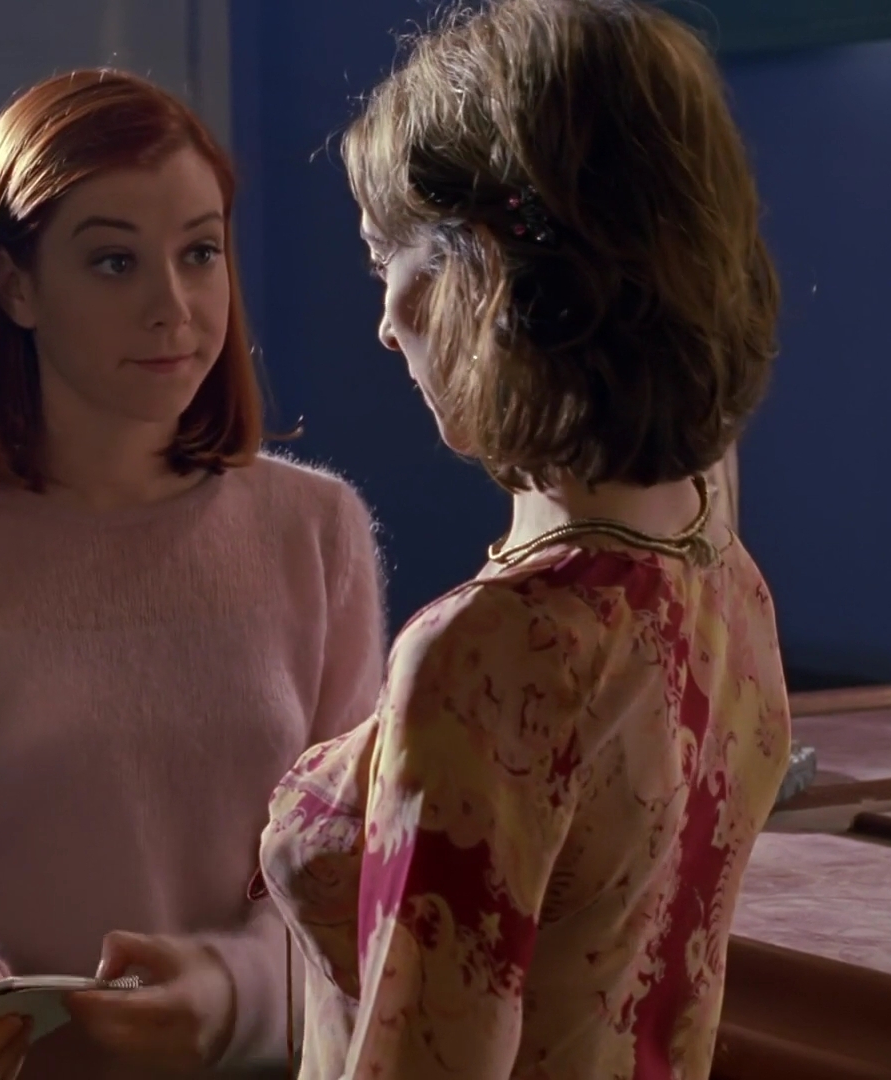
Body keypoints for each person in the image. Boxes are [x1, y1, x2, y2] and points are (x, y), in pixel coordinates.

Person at [0, 69, 386, 1080]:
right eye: (113, 262)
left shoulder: (316, 532)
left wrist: (228, 995)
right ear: (16, 287)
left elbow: (354, 885)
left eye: (199, 253)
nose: (172, 306)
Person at [256, 2, 792, 1078]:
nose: (384, 322)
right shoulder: (717, 567)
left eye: (387, 259)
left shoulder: (491, 655)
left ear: (490, 273)